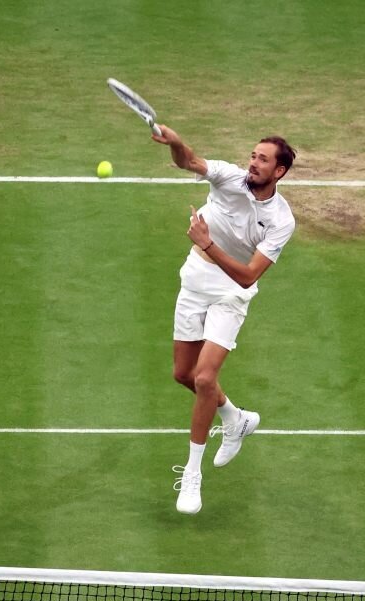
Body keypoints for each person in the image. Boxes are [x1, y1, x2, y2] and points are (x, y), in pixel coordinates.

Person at [151, 125, 297, 515]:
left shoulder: (281, 220)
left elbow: (248, 275)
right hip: (195, 282)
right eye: (253, 155)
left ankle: (193, 476)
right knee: (183, 374)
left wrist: (207, 242)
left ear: (279, 172)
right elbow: (190, 162)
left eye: (262, 159)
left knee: (204, 378)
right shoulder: (230, 177)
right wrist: (176, 143)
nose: (253, 162)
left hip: (231, 294)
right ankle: (234, 418)